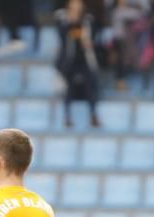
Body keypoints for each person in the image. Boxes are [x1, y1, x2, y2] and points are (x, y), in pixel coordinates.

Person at [55, 0, 101, 128]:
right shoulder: (63, 18)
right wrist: (70, 22)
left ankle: (93, 115)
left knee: (91, 86)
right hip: (69, 61)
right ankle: (67, 116)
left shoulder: (88, 19)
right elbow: (62, 36)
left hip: (85, 59)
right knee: (68, 89)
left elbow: (93, 36)